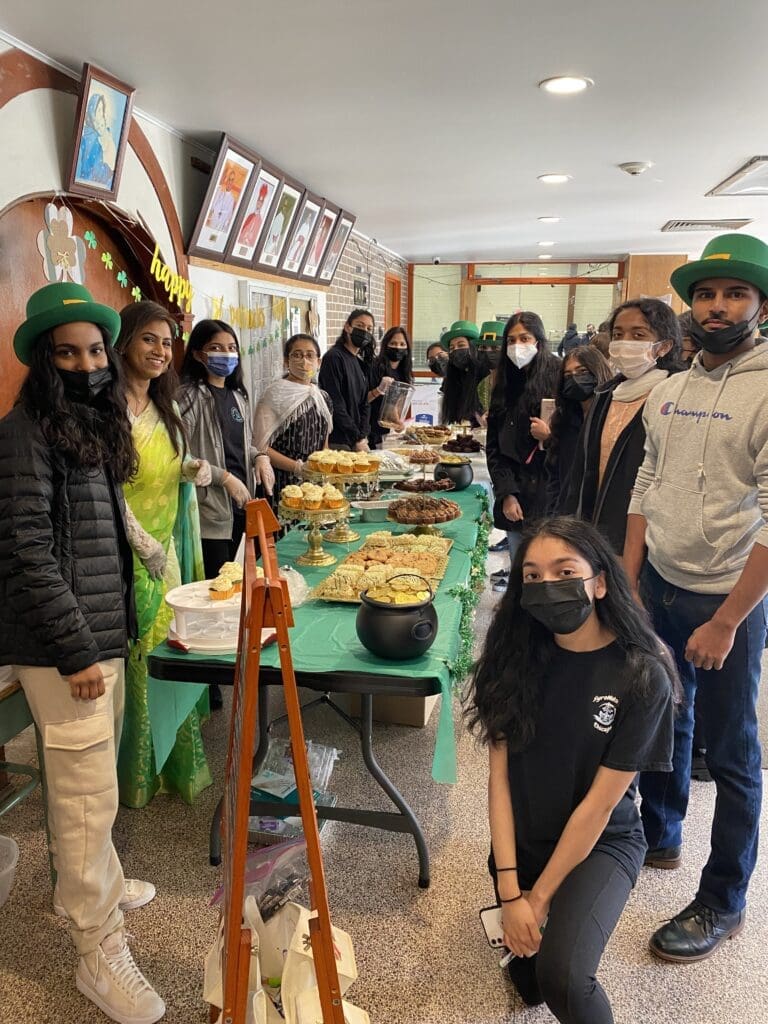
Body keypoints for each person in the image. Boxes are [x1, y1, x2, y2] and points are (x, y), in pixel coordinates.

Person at [0, 283, 165, 1023]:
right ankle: (97, 948)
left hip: (100, 633)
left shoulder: (92, 425)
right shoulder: (24, 431)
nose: (86, 363)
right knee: (82, 792)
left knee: (91, 781)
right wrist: (72, 649)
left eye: (95, 350)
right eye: (66, 353)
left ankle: (92, 874)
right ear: (43, 360)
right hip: (64, 645)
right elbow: (26, 551)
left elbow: (103, 524)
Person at [466, 517, 675, 1024]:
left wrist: (537, 899)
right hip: (528, 833)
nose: (547, 587)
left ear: (600, 582)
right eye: (532, 577)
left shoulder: (641, 674)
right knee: (531, 983)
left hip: (602, 840)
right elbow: (499, 784)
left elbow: (601, 806)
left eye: (564, 571)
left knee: (562, 976)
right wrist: (510, 891)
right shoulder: (511, 657)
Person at [624, 233, 768, 962]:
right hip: (661, 584)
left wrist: (728, 619)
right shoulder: (671, 389)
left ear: (760, 305)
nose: (717, 306)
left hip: (729, 602)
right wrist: (630, 579)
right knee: (667, 720)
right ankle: (662, 832)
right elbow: (647, 483)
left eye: (734, 293)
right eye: (707, 294)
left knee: (736, 751)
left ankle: (724, 901)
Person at [115, 301, 213, 807]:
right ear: (125, 342)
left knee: (169, 658)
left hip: (166, 553)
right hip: (120, 556)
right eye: (149, 339)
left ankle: (175, 766)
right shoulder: (103, 410)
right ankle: (136, 777)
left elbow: (172, 467)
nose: (159, 351)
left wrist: (204, 472)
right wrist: (140, 542)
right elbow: (105, 486)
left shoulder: (166, 407)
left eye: (167, 342)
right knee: (135, 666)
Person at [564, 298, 683, 554]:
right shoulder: (607, 394)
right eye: (618, 334)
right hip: (595, 524)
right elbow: (583, 466)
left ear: (664, 346)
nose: (624, 342)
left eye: (638, 335)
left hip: (644, 535)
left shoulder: (675, 398)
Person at [178, 318, 271, 577]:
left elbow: (242, 445)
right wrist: (224, 478)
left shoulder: (238, 396)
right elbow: (179, 456)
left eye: (231, 348)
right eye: (216, 348)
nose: (226, 354)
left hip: (242, 507)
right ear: (198, 354)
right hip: (211, 514)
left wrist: (259, 457)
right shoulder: (189, 396)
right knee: (218, 588)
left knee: (244, 585)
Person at [486, 312, 560, 591]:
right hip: (515, 492)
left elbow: (580, 442)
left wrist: (551, 438)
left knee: (549, 568)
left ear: (538, 341)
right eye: (512, 340)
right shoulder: (504, 384)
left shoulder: (560, 376)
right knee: (521, 568)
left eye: (525, 338)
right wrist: (507, 493)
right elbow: (493, 446)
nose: (518, 345)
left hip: (551, 494)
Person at [253, 333, 333, 504]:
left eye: (310, 355)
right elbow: (260, 447)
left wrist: (323, 468)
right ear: (286, 361)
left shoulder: (323, 397)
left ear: (318, 362)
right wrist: (298, 468)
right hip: (281, 482)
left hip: (314, 485)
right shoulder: (274, 394)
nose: (304, 361)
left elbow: (324, 443)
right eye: (297, 355)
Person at [541, 346, 613, 513]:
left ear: (597, 371)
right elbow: (555, 474)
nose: (574, 379)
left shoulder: (611, 417)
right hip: (565, 512)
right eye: (568, 375)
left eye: (582, 371)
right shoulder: (564, 420)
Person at [318, 308, 374, 450]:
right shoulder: (334, 358)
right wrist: (357, 437)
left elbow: (364, 403)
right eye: (359, 326)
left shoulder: (359, 362)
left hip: (356, 440)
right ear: (348, 327)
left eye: (369, 328)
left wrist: (363, 434)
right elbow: (334, 402)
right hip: (339, 441)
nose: (364, 331)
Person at [367, 325, 413, 447]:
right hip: (368, 431)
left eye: (402, 344)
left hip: (386, 434)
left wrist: (398, 423)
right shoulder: (374, 367)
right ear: (385, 345)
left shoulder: (404, 372)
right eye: (393, 343)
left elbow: (395, 406)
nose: (398, 347)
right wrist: (379, 390)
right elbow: (362, 400)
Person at [439, 320, 488, 426]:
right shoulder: (452, 378)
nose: (456, 350)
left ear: (473, 347)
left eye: (461, 345)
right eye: (452, 348)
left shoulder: (486, 375)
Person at [477, 320, 504, 412]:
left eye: (495, 348)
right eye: (483, 347)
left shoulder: (515, 381)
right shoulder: (482, 385)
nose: (488, 352)